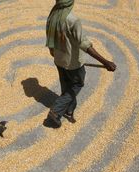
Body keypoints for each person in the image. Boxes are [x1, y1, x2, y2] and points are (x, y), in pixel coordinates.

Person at [45, 0, 116, 128]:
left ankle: (69, 110)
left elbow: (49, 36)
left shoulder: (53, 14)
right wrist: (105, 62)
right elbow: (84, 44)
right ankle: (56, 111)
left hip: (59, 59)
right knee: (77, 84)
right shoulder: (73, 20)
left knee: (66, 85)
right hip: (73, 63)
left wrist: (52, 52)